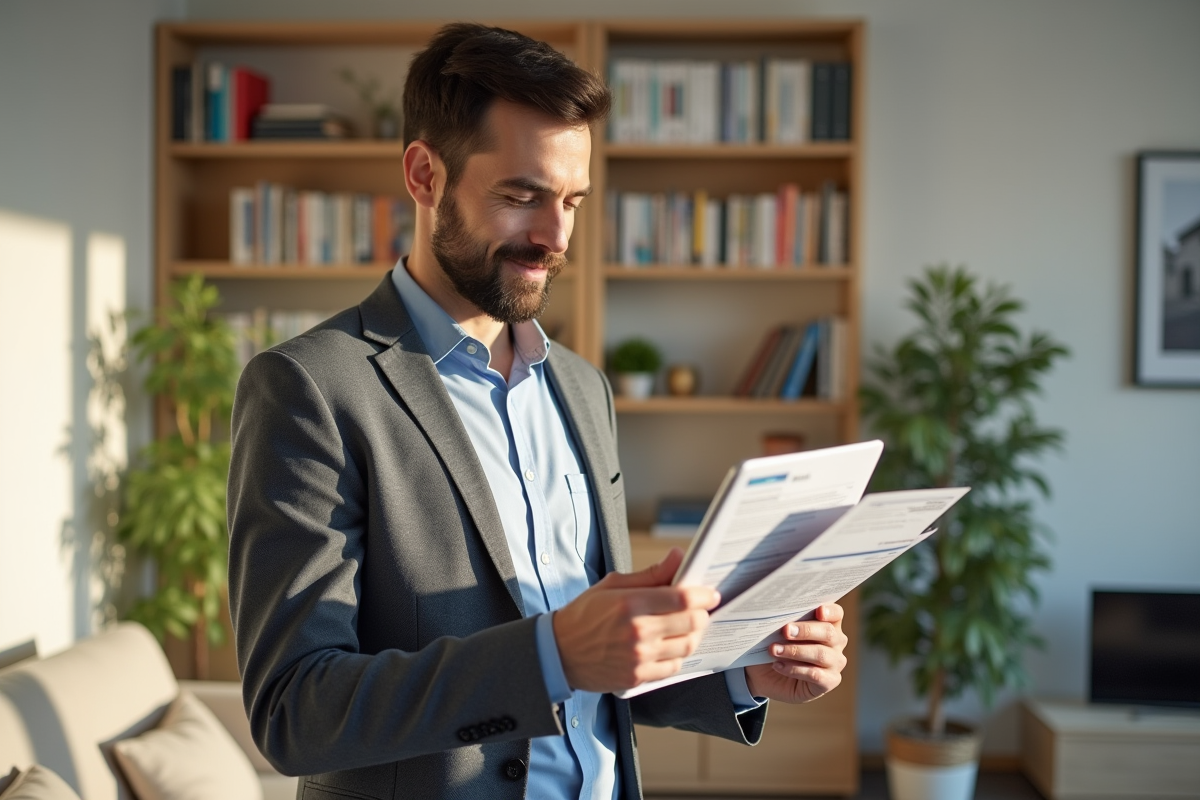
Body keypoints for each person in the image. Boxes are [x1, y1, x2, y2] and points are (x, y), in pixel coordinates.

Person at [227, 22, 848, 800]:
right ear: (424, 175)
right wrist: (549, 652)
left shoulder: (583, 389)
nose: (555, 237)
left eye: (573, 200)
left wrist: (742, 673)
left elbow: (604, 671)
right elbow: (297, 712)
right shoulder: (309, 389)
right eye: (521, 196)